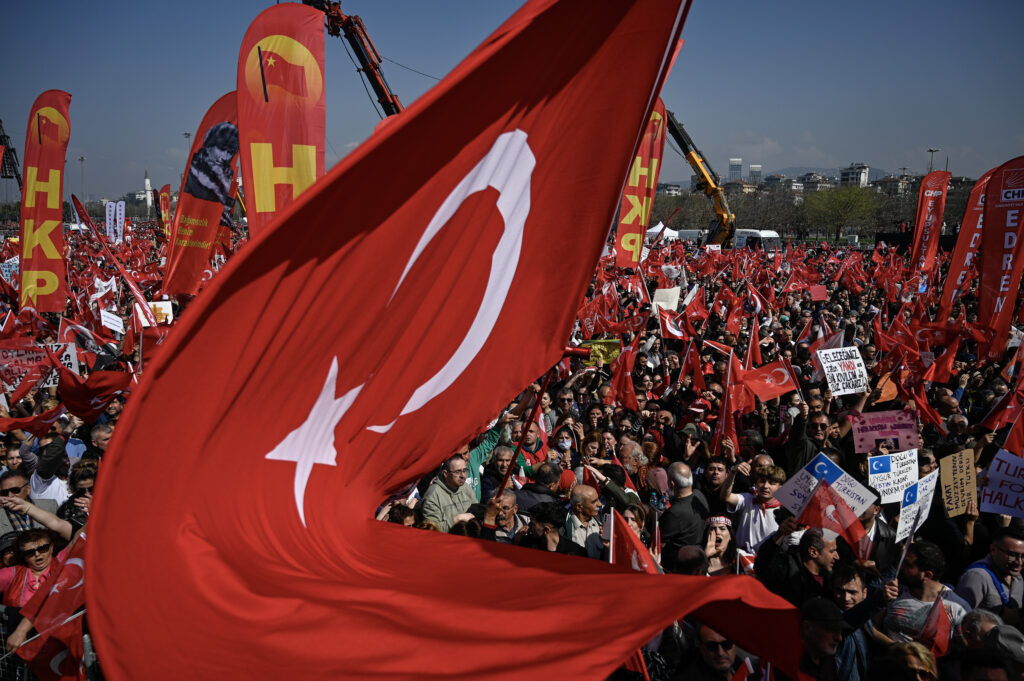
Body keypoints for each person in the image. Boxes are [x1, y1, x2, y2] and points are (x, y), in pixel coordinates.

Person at [882, 541, 971, 645]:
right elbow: (871, 626)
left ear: (927, 575)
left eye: (908, 565)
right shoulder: (892, 590)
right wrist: (893, 646)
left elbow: (964, 647)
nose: (901, 567)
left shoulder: (958, 608)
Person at [755, 526, 838, 607]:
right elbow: (762, 566)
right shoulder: (786, 571)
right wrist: (779, 534)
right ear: (813, 552)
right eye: (832, 551)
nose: (837, 557)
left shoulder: (831, 579)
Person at [956, 527, 1024, 623]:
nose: (1019, 562)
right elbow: (958, 620)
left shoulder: (1018, 577)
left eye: (1023, 556)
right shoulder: (977, 577)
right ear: (993, 550)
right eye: (1012, 555)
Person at [721, 463, 786, 553]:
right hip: (742, 559)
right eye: (762, 481)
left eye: (772, 483)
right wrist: (732, 473)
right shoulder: (747, 499)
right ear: (756, 483)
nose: (765, 486)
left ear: (780, 488)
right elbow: (725, 496)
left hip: (769, 559)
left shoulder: (784, 511)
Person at [659, 462, 708, 568]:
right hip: (697, 557)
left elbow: (658, 538)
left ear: (672, 484)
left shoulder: (674, 512)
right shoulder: (699, 496)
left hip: (678, 563)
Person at [675, 622, 753, 681]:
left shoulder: (748, 668)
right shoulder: (688, 677)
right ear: (700, 646)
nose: (720, 653)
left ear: (735, 644)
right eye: (712, 646)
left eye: (726, 644)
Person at [420, 455, 477, 532]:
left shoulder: (465, 487)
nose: (463, 476)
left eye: (464, 470)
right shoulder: (432, 496)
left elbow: (476, 510)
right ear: (445, 473)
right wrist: (456, 520)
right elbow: (432, 530)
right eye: (457, 472)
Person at [799, 596, 845, 680]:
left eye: (840, 631)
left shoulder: (829, 662)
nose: (839, 638)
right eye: (832, 629)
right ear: (807, 628)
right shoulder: (790, 665)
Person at [0, 472, 58, 537]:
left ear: (28, 489)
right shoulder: (1, 516)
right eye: (4, 492)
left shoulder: (50, 506)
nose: (10, 495)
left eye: (15, 490)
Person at [562, 484, 602, 558]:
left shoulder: (601, 522)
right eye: (594, 502)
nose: (600, 504)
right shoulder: (562, 527)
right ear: (579, 507)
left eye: (598, 499)